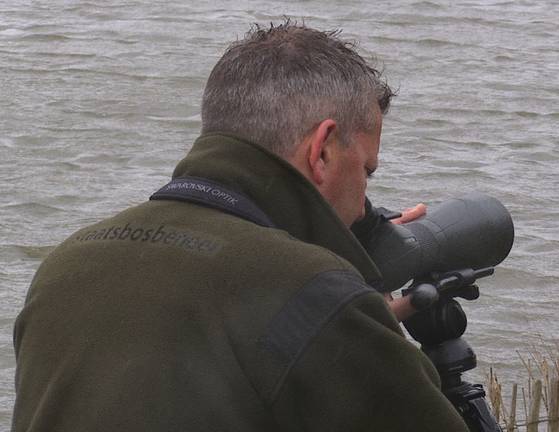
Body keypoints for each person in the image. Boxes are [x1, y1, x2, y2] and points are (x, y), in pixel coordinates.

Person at [12, 22, 470, 431]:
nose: (362, 207)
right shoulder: (315, 293)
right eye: (366, 171)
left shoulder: (66, 263)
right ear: (323, 150)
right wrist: (354, 315)